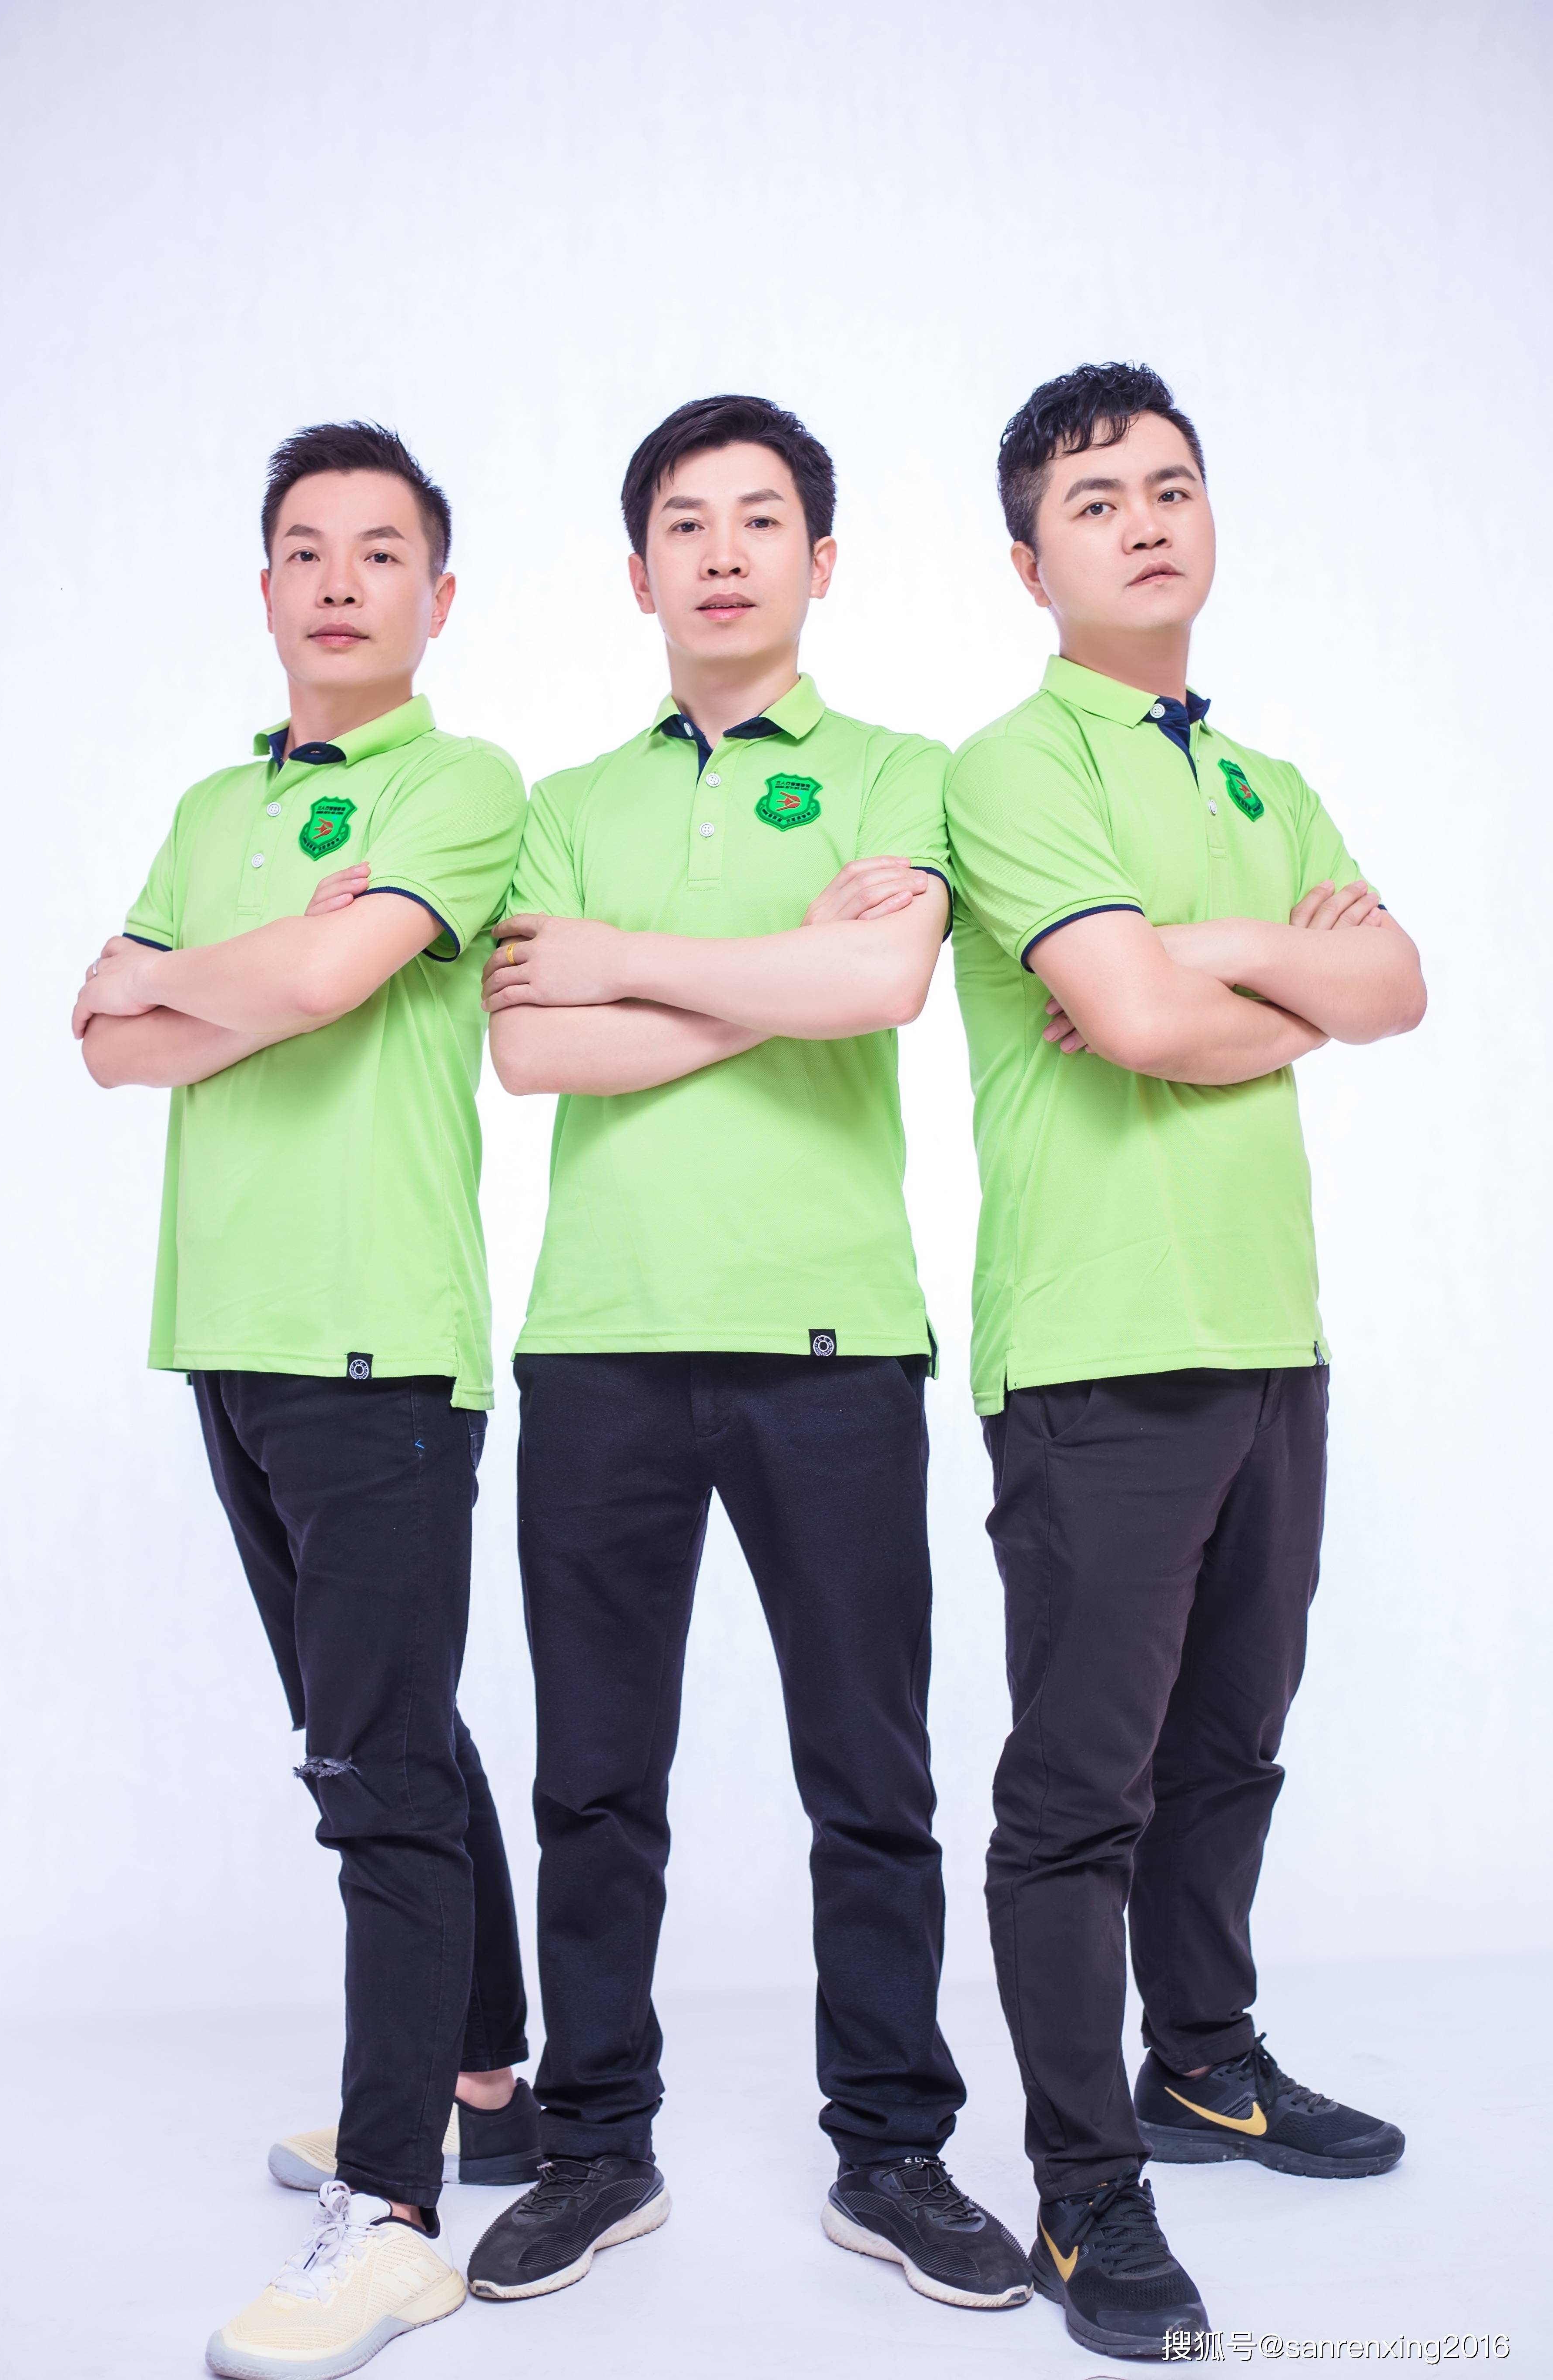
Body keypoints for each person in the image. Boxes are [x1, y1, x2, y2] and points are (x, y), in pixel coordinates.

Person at [463, 394, 1031, 2314]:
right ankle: (596, 2147)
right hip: (600, 1341)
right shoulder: (561, 803)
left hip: (834, 1338)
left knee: (871, 1777)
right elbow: (530, 1046)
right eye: (686, 525)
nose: (722, 551)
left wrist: (637, 962)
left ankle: (894, 2154)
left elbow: (881, 983)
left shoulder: (900, 772)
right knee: (594, 1781)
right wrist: (779, 978)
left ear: (821, 559)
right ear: (638, 575)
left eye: (761, 518)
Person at [943, 363, 1425, 2363]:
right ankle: (1083, 2191)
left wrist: (1204, 957)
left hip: (1267, 1334)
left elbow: (1395, 984)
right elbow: (1132, 1024)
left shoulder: (1264, 779)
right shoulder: (1010, 770)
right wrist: (1272, 976)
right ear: (1029, 563)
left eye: (1170, 486)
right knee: (1082, 1793)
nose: (1144, 521)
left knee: (1231, 1746)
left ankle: (1205, 2065)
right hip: (1099, 1347)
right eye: (1094, 500)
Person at [74, 422, 536, 2379]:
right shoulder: (209, 803)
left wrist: (196, 981)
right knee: (391, 1732)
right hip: (232, 1337)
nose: (340, 580)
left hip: (377, 1346)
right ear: (265, 587)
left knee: (374, 1776)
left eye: (380, 550)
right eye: (305, 550)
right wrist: (237, 978)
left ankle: (398, 2213)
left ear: (439, 592)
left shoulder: (463, 782)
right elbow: (103, 1045)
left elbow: (321, 992)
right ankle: (485, 2086)